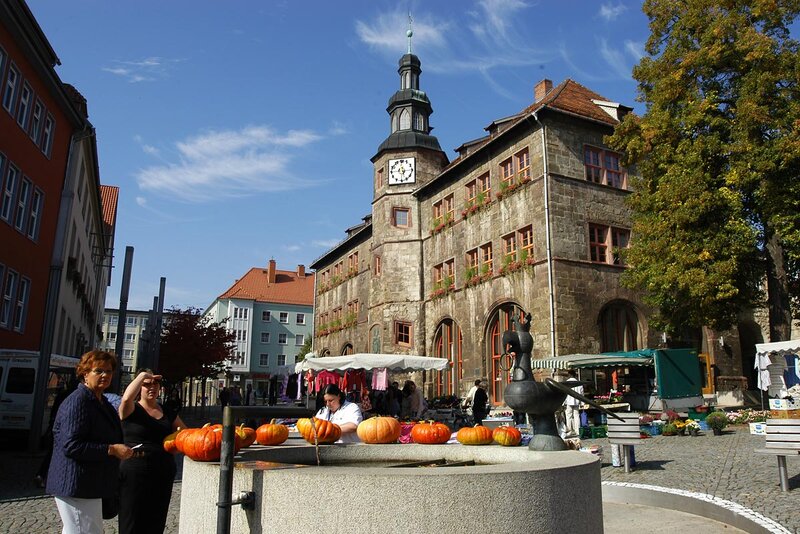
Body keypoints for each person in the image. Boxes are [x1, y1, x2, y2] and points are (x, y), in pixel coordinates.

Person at [47, 350, 134, 534]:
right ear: (85, 373)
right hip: (77, 485)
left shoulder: (100, 401)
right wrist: (111, 450)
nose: (105, 375)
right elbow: (71, 445)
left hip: (90, 485)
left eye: (109, 371)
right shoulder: (79, 401)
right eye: (99, 371)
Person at [118, 369, 186, 534]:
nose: (151, 388)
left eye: (155, 384)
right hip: (135, 472)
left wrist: (175, 444)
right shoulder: (131, 409)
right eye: (146, 385)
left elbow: (184, 434)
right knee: (132, 521)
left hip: (162, 471)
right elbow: (126, 398)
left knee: (156, 520)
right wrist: (142, 376)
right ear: (138, 388)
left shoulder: (167, 411)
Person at [35, 376, 79, 488]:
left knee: (52, 453)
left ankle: (42, 475)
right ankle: (48, 476)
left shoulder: (63, 395)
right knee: (56, 455)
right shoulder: (75, 397)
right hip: (64, 429)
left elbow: (54, 411)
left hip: (56, 426)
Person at [563, 371, 584, 438]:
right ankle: (577, 431)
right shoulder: (578, 383)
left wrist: (564, 402)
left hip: (568, 401)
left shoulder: (566, 383)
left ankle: (570, 430)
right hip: (577, 401)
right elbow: (581, 393)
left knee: (569, 416)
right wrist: (582, 402)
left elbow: (564, 393)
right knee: (576, 416)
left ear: (569, 375)